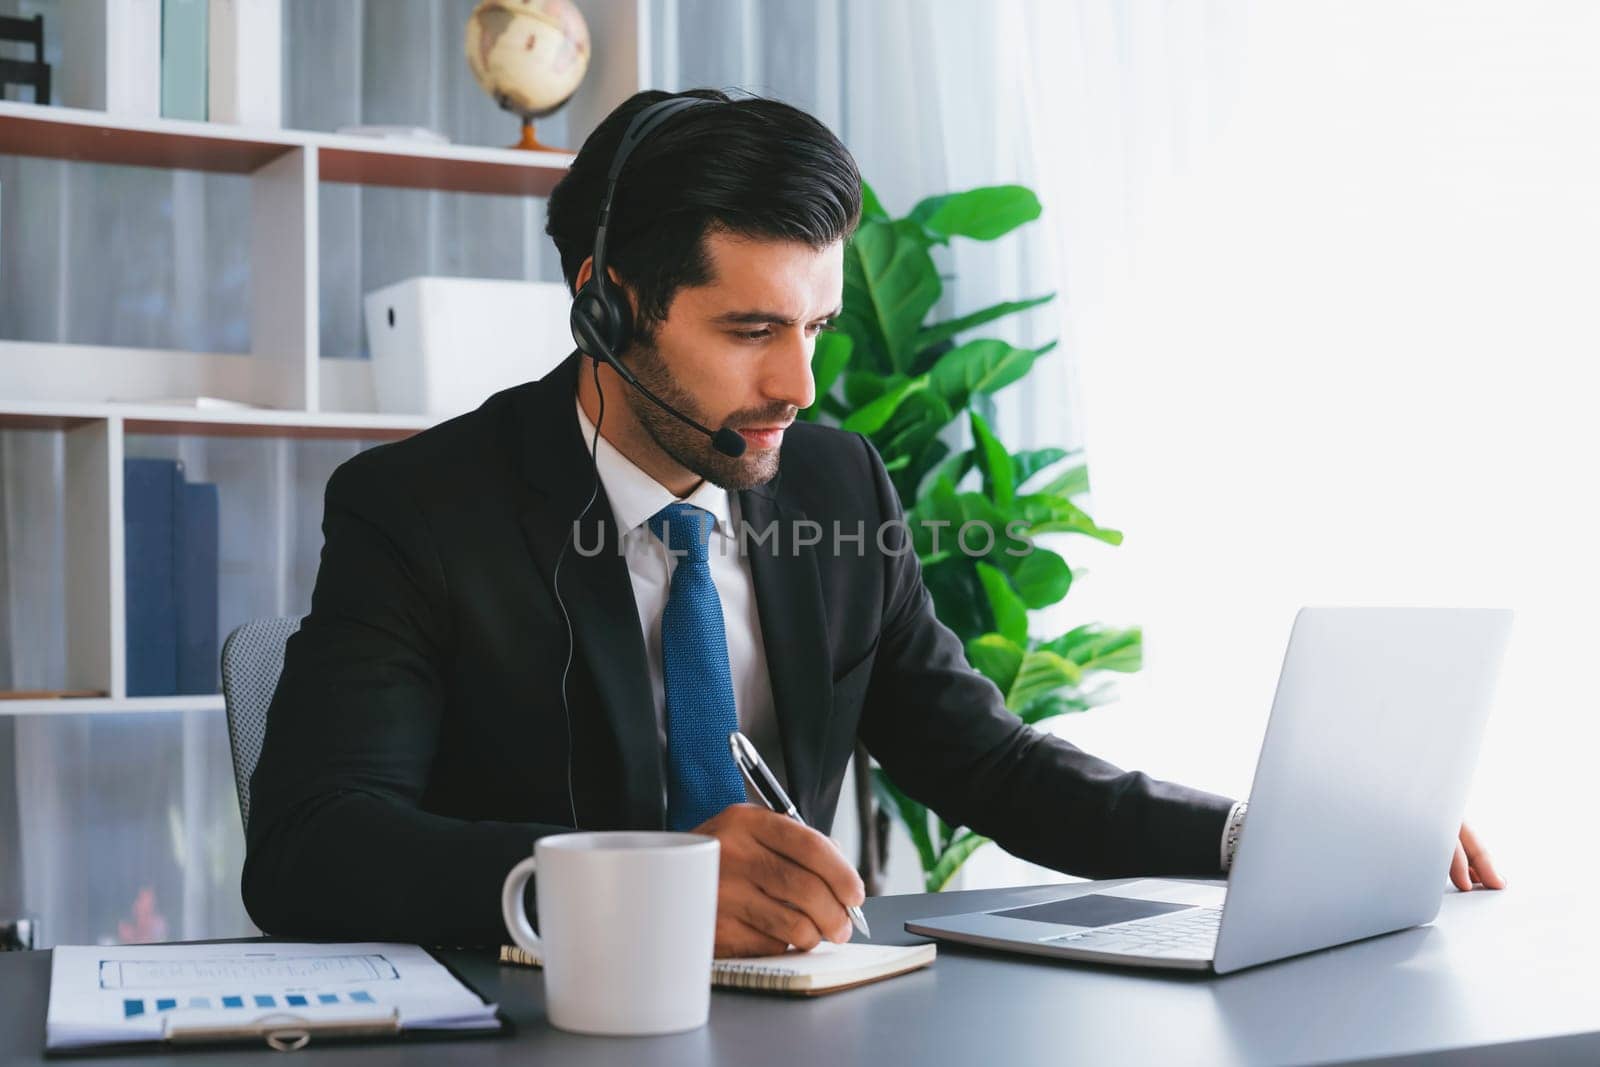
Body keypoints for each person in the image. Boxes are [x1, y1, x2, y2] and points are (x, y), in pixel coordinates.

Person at [241, 89, 1501, 955]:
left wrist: (1252, 835)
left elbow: (989, 762)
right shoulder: (419, 508)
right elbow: (309, 845)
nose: (798, 385)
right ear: (608, 304)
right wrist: (626, 886)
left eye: (814, 328)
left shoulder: (834, 486)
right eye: (749, 330)